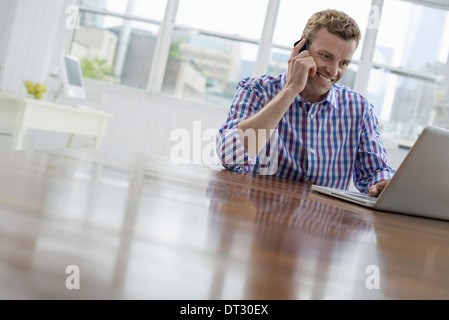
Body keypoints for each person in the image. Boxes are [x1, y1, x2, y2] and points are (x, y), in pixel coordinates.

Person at [215, 9, 395, 197]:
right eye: (326, 56)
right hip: (260, 219)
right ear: (302, 47)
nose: (333, 72)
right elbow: (230, 156)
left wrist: (382, 183)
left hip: (325, 223)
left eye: (343, 63)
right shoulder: (255, 91)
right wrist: (291, 89)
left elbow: (376, 171)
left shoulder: (359, 109)